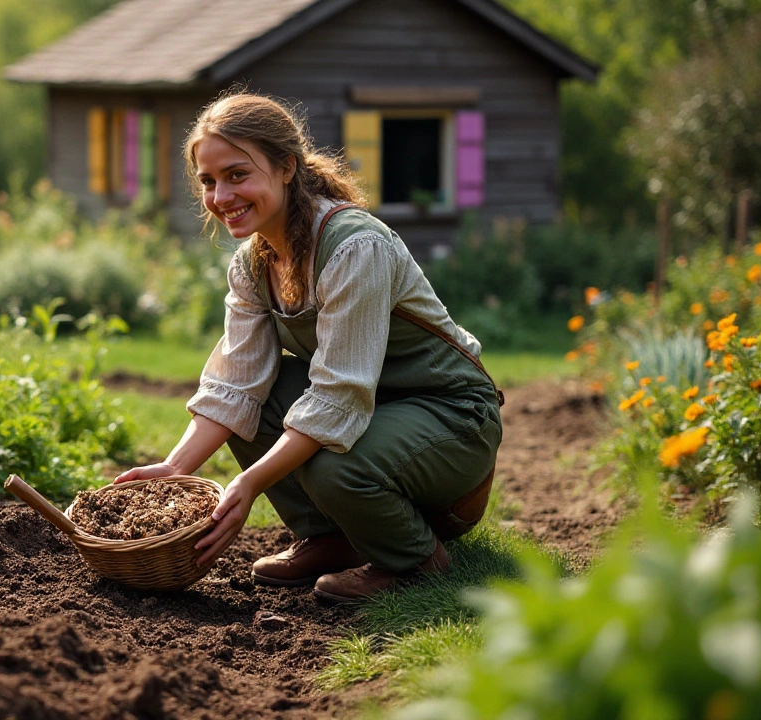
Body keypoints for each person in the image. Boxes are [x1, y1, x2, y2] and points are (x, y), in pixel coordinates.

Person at [114, 92, 503, 603]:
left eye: (237, 174)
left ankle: (416, 559)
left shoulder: (353, 247)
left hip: (451, 417)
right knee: (254, 403)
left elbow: (338, 401)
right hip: (380, 411)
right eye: (208, 181)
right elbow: (233, 385)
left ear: (286, 167)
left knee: (333, 463)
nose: (219, 195)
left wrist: (248, 483)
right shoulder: (254, 262)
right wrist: (173, 470)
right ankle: (331, 538)